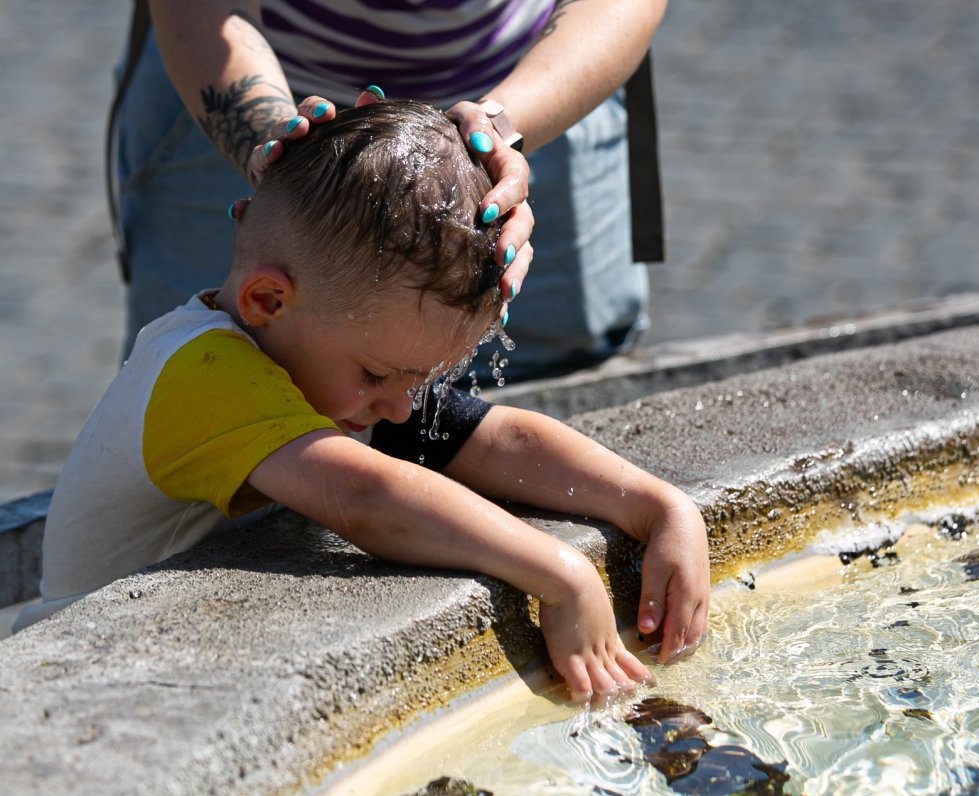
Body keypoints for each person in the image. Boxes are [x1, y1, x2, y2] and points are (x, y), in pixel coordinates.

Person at [23, 101, 708, 700]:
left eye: (418, 378)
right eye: (382, 374)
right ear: (267, 299)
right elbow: (371, 501)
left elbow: (495, 440)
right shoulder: (204, 371)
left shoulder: (318, 356)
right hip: (80, 677)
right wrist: (561, 573)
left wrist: (658, 505)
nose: (404, 408)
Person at [114, 0, 667, 382]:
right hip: (244, 81)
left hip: (543, 78)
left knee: (552, 386)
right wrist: (287, 167)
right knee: (210, 385)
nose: (396, 412)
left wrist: (499, 134)